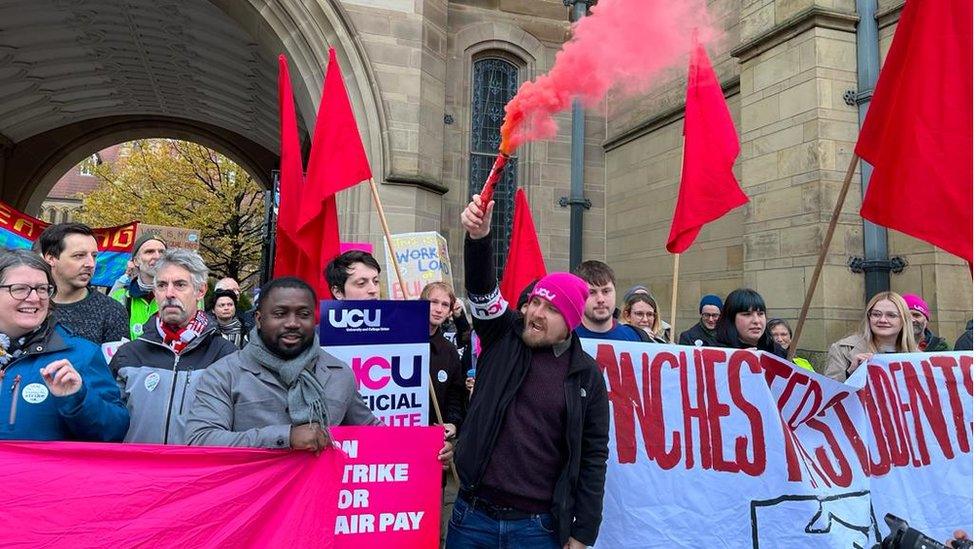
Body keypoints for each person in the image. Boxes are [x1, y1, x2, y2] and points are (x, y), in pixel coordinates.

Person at [451, 193, 609, 549]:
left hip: (538, 529)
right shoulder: (503, 335)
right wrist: (478, 239)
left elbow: (593, 457)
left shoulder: (587, 378)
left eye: (550, 309)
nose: (536, 313)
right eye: (535, 302)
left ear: (569, 323)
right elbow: (481, 290)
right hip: (473, 517)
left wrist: (583, 532)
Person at [185, 277, 455, 468]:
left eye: (302, 314)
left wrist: (426, 448)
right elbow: (201, 441)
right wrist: (286, 437)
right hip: (250, 514)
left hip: (317, 513)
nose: (292, 323)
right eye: (280, 313)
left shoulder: (339, 374)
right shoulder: (224, 374)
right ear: (259, 319)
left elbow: (372, 432)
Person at [109, 249, 237, 444]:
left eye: (180, 285)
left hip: (198, 472)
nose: (169, 294)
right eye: (161, 285)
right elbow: (106, 425)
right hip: (138, 470)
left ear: (200, 291)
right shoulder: (129, 354)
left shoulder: (226, 356)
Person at [0, 249, 128, 441]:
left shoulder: (81, 355)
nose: (35, 298)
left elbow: (114, 432)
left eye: (42, 289)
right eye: (19, 289)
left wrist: (77, 398)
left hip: (41, 471)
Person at [37, 222, 128, 345]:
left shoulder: (112, 312)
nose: (90, 264)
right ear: (51, 258)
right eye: (79, 256)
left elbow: (116, 363)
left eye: (94, 256)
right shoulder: (28, 304)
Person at [824, 291, 917, 382]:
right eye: (876, 314)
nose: (883, 320)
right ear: (869, 317)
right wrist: (851, 373)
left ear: (904, 320)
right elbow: (829, 394)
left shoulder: (918, 356)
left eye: (891, 315)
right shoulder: (843, 350)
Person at [421, 282, 468, 438]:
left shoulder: (449, 351)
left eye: (445, 305)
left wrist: (453, 423)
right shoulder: (401, 342)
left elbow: (455, 394)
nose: (439, 309)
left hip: (434, 436)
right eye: (433, 302)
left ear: (449, 312)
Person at [573, 260, 649, 342]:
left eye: (606, 291)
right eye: (591, 292)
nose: (600, 299)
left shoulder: (637, 338)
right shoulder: (564, 340)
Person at [111, 234, 167, 340]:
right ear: (136, 261)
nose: (157, 256)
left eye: (162, 252)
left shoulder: (183, 295)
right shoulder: (120, 296)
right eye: (149, 252)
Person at [714, 288, 786, 357]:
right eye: (747, 314)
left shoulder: (777, 352)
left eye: (760, 314)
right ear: (731, 318)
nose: (756, 321)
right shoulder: (715, 353)